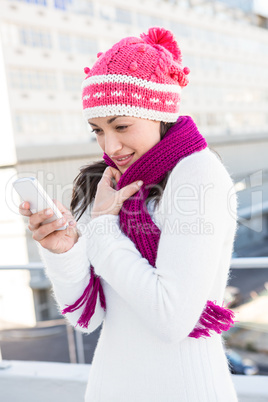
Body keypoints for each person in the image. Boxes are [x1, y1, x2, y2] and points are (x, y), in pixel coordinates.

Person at [19, 27, 239, 402]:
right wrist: (66, 251)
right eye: (98, 130)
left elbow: (170, 319)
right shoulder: (106, 183)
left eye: (121, 126)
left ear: (159, 113)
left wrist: (103, 230)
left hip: (187, 390)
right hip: (110, 387)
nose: (110, 146)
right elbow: (87, 317)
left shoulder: (198, 174)